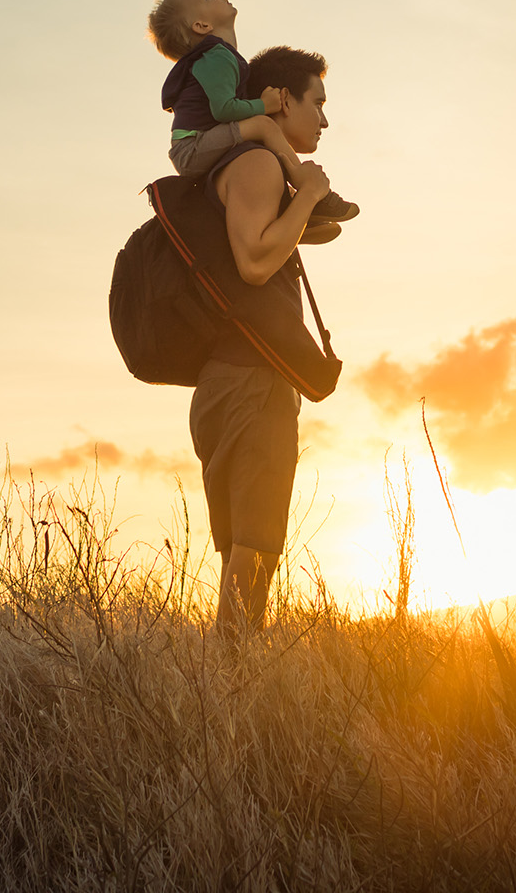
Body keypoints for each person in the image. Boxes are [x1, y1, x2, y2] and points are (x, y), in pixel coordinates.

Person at [189, 43, 336, 638]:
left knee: (242, 553)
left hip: (235, 381)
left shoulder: (253, 166)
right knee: (254, 551)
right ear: (282, 101)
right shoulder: (257, 165)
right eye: (318, 103)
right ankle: (231, 699)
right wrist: (307, 193)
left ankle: (222, 698)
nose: (324, 119)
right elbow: (252, 262)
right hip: (250, 385)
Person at [149, 0, 358, 238]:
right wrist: (264, 106)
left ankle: (286, 215)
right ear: (201, 25)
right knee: (263, 125)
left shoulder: (222, 57)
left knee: (259, 130)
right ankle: (309, 190)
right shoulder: (217, 58)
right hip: (192, 147)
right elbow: (224, 110)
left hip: (197, 146)